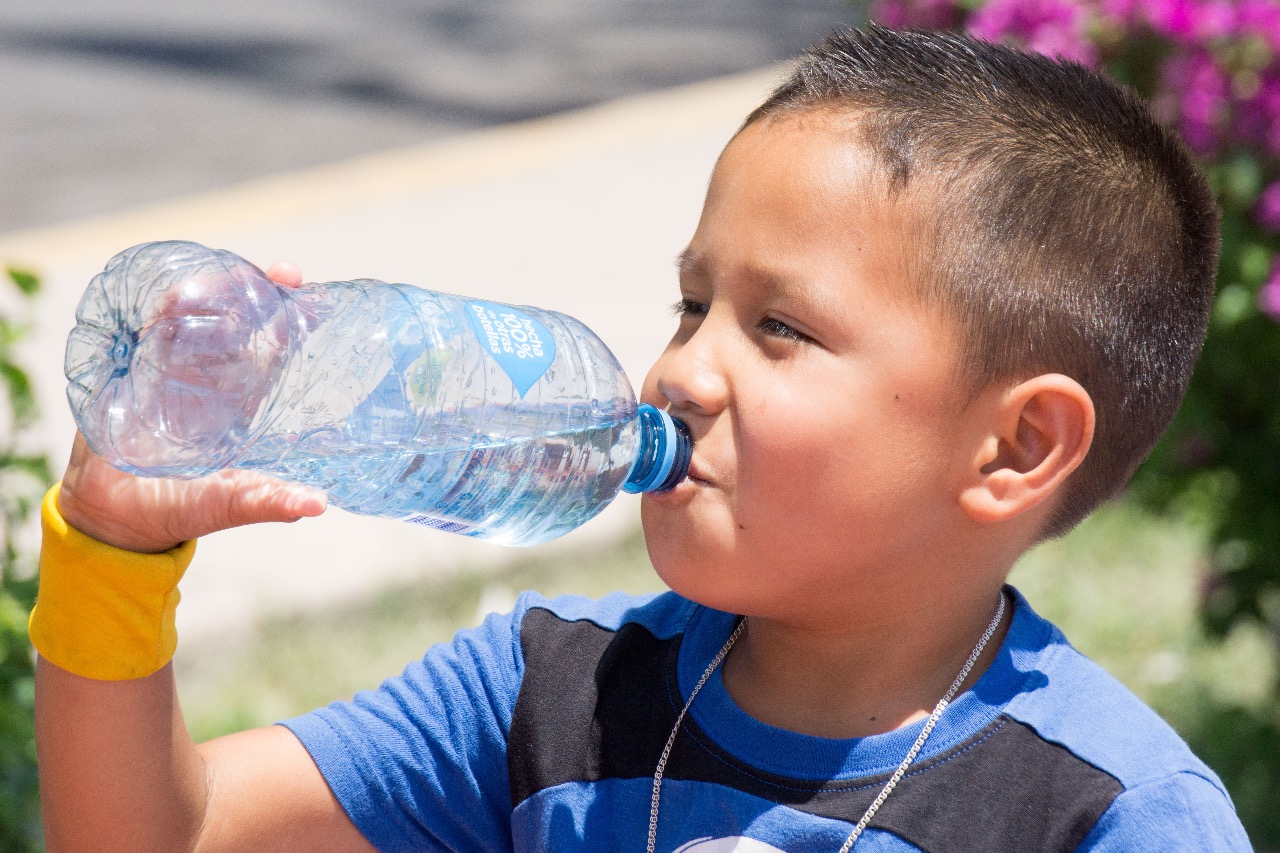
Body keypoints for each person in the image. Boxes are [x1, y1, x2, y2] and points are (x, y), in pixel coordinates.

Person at [31, 25, 1251, 853]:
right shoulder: (548, 696)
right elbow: (159, 831)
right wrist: (109, 557)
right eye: (690, 304)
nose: (678, 370)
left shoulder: (1105, 814)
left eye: (778, 327)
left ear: (1015, 446)